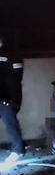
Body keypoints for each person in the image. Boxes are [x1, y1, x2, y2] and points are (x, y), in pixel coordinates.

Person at [0, 35, 25, 163]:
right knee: (10, 124)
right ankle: (17, 148)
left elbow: (16, 79)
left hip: (8, 98)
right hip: (4, 97)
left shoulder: (12, 55)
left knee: (11, 124)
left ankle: (18, 150)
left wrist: (11, 98)